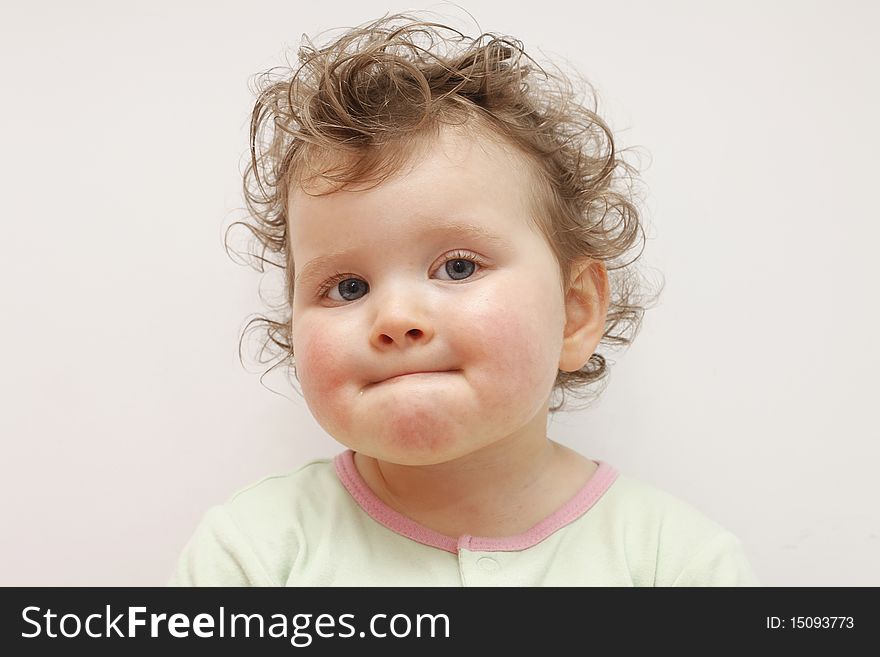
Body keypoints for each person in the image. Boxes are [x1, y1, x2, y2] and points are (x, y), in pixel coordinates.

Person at [169, 11, 759, 586]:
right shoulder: (251, 556)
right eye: (348, 287)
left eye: (456, 267)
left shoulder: (676, 565)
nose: (396, 319)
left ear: (574, 312)